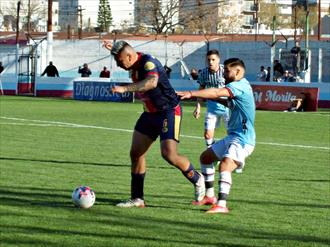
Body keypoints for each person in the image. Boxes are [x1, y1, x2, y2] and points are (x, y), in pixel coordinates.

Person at [104, 40, 205, 208]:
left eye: (120, 61)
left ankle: (197, 178)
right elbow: (123, 50)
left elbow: (151, 82)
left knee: (169, 155)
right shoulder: (132, 61)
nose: (118, 65)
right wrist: (113, 49)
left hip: (168, 111)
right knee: (136, 154)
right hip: (150, 114)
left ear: (129, 56)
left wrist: (125, 88)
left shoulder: (148, 63)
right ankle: (137, 199)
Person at [177, 58, 256, 213]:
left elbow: (216, 91)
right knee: (205, 158)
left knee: (225, 165)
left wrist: (191, 93)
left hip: (243, 139)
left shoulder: (238, 85)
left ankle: (221, 205)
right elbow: (227, 101)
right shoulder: (242, 84)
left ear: (238, 71)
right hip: (233, 136)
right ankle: (209, 196)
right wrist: (211, 97)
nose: (224, 74)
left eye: (227, 71)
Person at [194, 49, 229, 151]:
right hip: (212, 108)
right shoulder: (204, 73)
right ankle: (212, 155)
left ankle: (232, 158)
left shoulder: (225, 71)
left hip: (227, 108)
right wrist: (198, 107)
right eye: (208, 60)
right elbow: (201, 91)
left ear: (218, 60)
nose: (210, 62)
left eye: (213, 60)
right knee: (208, 135)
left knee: (232, 134)